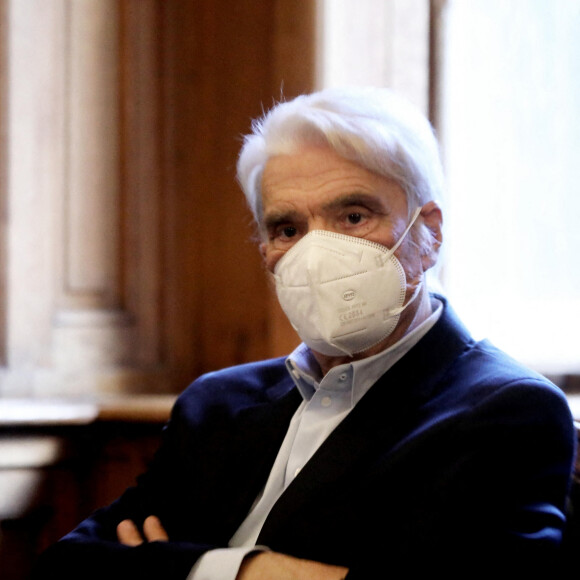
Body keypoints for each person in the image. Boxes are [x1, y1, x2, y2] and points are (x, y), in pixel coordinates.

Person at [33, 87, 576, 579]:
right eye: (287, 228)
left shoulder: (507, 413)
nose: (317, 253)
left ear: (428, 233)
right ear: (266, 250)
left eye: (354, 216)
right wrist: (259, 572)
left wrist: (179, 569)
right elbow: (67, 571)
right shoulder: (214, 406)